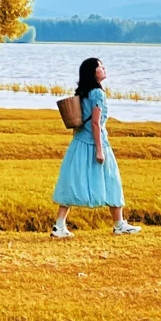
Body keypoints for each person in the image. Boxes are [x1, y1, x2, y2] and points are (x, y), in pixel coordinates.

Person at [51, 57, 140, 237]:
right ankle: (119, 224)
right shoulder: (98, 94)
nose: (104, 68)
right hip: (95, 143)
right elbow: (95, 123)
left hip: (79, 143)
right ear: (93, 73)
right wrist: (100, 149)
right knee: (112, 180)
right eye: (100, 66)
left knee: (72, 182)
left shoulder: (84, 92)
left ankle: (59, 225)